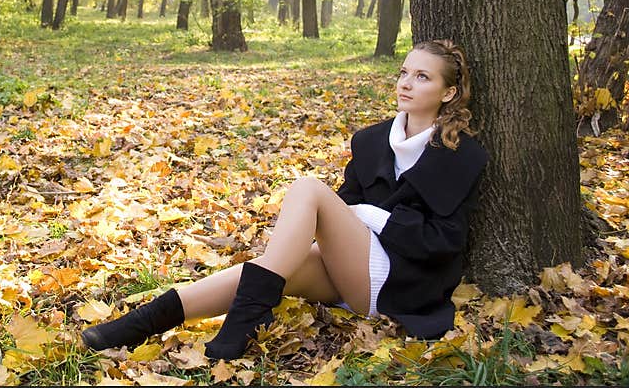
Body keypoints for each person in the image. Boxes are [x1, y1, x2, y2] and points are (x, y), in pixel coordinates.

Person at [80, 39, 489, 361]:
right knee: (264, 269)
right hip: (350, 271)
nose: (405, 83)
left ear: (449, 92)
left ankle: (242, 321)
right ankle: (137, 325)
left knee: (308, 188)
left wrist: (369, 216)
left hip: (399, 284)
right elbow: (343, 209)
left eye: (422, 77)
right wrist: (336, 230)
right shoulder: (371, 140)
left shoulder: (459, 153)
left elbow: (443, 242)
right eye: (403, 72)